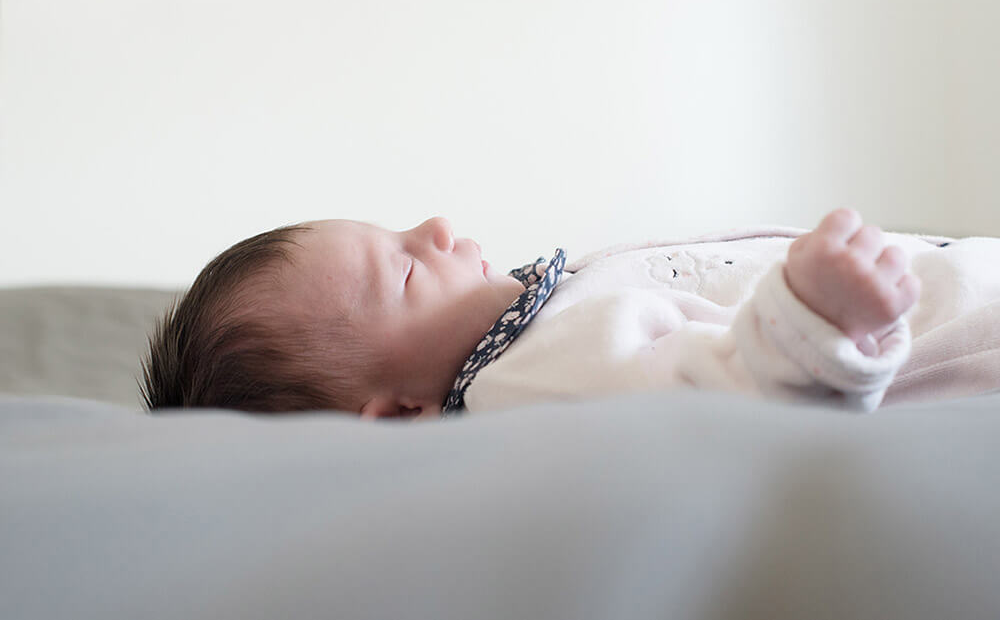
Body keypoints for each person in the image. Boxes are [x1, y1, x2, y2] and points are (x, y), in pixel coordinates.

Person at [141, 208, 1000, 418]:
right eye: (404, 272)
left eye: (400, 227)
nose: (437, 228)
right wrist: (816, 314)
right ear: (398, 412)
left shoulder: (544, 310)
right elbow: (731, 394)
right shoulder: (534, 376)